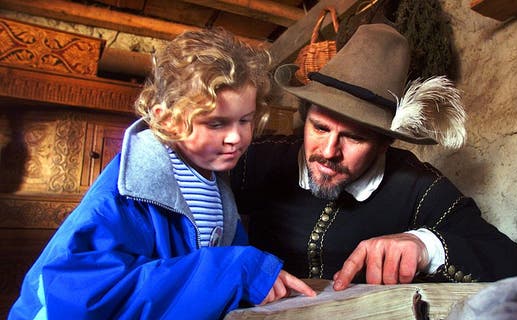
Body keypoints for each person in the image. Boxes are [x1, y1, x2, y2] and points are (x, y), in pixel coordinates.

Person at [9, 28, 314, 320]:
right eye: (216, 124)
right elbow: (84, 300)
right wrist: (236, 270)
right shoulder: (123, 196)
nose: (235, 137)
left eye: (245, 120)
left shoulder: (215, 185)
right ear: (166, 119)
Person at [230, 23, 517, 291]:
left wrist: (426, 247)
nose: (328, 151)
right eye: (320, 128)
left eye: (354, 137)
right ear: (305, 117)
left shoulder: (419, 187)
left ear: (384, 143)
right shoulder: (255, 159)